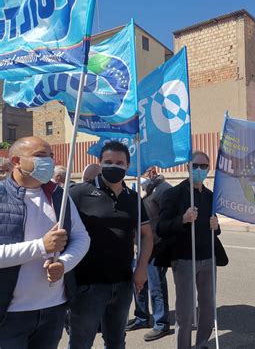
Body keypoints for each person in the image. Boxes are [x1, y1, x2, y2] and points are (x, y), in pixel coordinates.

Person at [0, 136, 90, 349]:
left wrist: (64, 264)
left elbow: (81, 237)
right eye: (40, 156)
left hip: (54, 309)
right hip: (9, 315)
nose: (48, 161)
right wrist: (41, 246)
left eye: (50, 156)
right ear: (16, 160)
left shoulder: (59, 194)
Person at [68, 141, 154, 349]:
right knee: (81, 343)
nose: (114, 166)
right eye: (108, 162)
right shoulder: (78, 193)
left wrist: (141, 269)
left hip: (123, 284)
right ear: (99, 163)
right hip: (87, 286)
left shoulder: (133, 198)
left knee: (116, 342)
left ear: (127, 165)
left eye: (119, 162)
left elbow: (146, 235)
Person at [157, 151, 224, 349]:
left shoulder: (212, 197)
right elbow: (161, 228)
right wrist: (183, 219)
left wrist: (216, 225)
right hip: (185, 259)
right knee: (185, 312)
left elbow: (215, 230)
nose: (200, 170)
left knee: (208, 307)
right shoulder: (173, 194)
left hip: (208, 257)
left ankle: (202, 343)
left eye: (204, 166)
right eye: (196, 166)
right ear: (188, 167)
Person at [126, 173, 173, 343]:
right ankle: (141, 317)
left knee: (156, 286)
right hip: (140, 246)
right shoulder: (143, 191)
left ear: (152, 173)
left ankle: (161, 323)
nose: (141, 175)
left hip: (156, 247)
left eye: (145, 172)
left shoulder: (164, 189)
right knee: (139, 283)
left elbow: (167, 218)